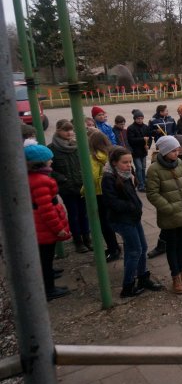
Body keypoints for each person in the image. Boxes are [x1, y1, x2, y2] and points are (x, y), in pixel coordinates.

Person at [102, 146, 164, 297]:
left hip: (133, 217)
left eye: (130, 161)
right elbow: (112, 202)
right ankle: (128, 286)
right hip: (123, 220)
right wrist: (131, 206)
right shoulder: (109, 178)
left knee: (142, 247)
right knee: (134, 251)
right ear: (114, 162)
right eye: (125, 162)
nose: (129, 165)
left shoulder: (126, 173)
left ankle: (143, 277)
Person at [146, 135, 182, 294]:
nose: (178, 152)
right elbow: (152, 194)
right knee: (172, 246)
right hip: (169, 215)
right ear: (165, 151)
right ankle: (175, 276)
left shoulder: (180, 163)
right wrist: (168, 208)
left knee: (181, 245)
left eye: (178, 149)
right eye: (174, 150)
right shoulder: (154, 169)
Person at [26, 144, 71, 300]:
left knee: (46, 256)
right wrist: (58, 228)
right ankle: (49, 288)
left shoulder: (34, 178)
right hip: (43, 225)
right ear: (41, 162)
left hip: (39, 223)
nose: (51, 161)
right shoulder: (41, 181)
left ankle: (49, 275)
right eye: (49, 159)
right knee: (45, 256)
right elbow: (46, 209)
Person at [49, 120, 91, 254]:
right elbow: (49, 168)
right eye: (65, 130)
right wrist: (62, 179)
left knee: (84, 213)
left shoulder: (77, 146)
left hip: (81, 185)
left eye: (70, 130)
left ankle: (87, 238)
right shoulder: (52, 148)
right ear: (58, 131)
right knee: (73, 214)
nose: (69, 133)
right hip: (67, 188)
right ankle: (78, 241)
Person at [88, 131, 121, 261]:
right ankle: (114, 246)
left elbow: (93, 177)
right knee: (110, 221)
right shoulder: (111, 154)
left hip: (99, 193)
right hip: (111, 192)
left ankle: (113, 249)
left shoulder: (94, 157)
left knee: (104, 224)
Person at [127, 109, 151, 191]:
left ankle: (144, 182)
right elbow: (131, 140)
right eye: (138, 118)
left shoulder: (146, 127)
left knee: (144, 167)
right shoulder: (131, 128)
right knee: (139, 168)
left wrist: (148, 145)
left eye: (141, 118)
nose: (140, 120)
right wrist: (142, 139)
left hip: (144, 151)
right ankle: (141, 185)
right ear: (135, 119)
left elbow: (149, 138)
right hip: (136, 151)